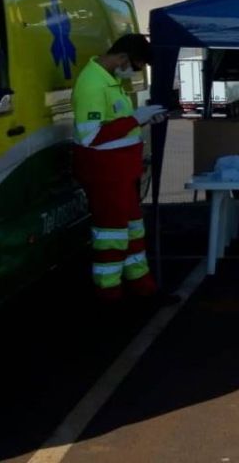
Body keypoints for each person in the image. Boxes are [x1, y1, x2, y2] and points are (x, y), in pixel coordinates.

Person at [72, 34, 166, 301]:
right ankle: (109, 295)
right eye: (136, 66)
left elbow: (116, 125)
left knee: (133, 231)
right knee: (111, 235)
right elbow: (91, 136)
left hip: (121, 174)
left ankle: (142, 289)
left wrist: (143, 120)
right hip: (105, 175)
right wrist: (135, 119)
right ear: (123, 58)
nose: (135, 73)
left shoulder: (110, 81)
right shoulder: (92, 84)